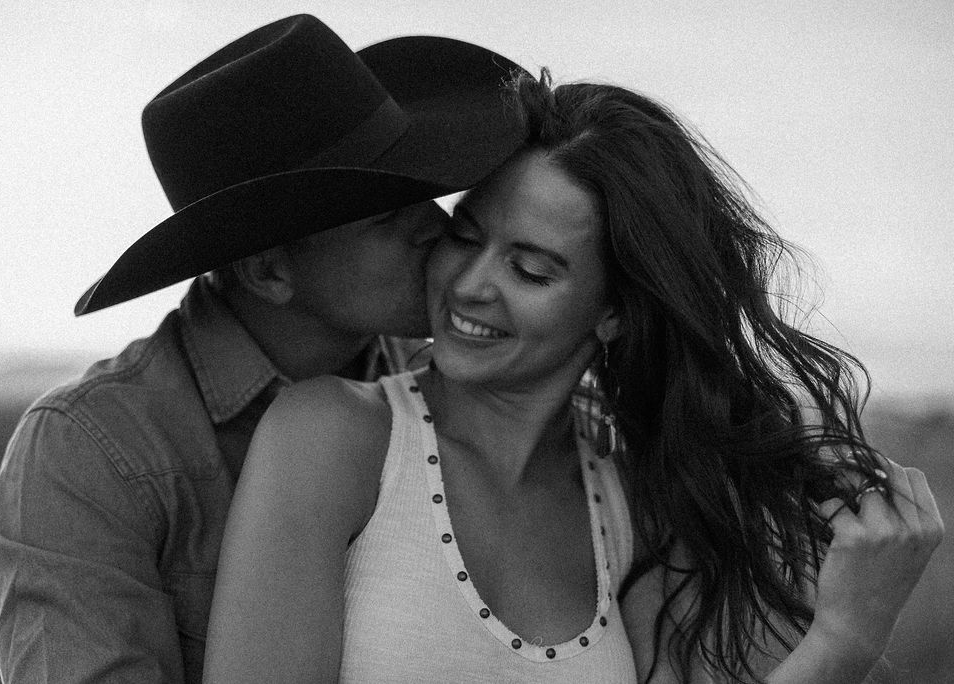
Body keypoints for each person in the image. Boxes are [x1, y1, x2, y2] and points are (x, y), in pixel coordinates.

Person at [203, 69, 944, 682]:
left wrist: (845, 637)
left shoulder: (631, 507)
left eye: (531, 268)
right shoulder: (332, 436)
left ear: (615, 312)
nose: (469, 285)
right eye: (465, 236)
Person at [0, 14, 526, 683]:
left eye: (426, 198)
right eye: (389, 218)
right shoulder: (91, 452)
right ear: (269, 270)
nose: (438, 229)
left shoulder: (451, 394)